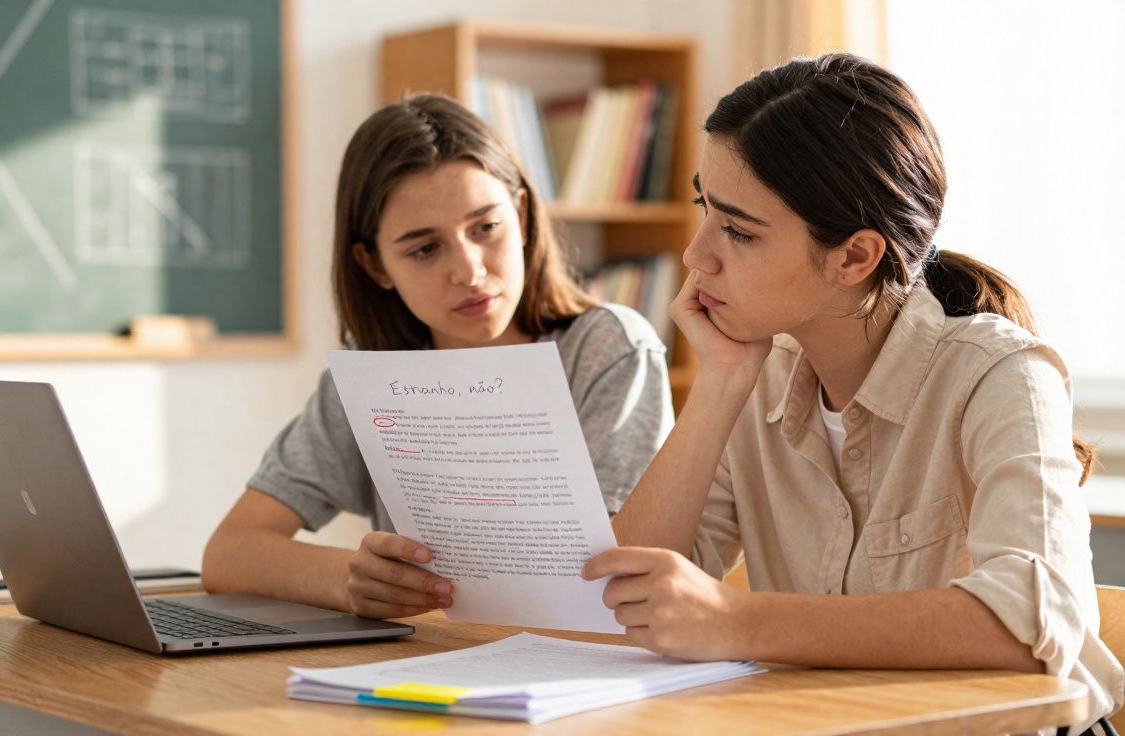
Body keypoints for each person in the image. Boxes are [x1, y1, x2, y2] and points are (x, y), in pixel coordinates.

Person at [581, 53, 1123, 732]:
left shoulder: (1002, 374)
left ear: (855, 257)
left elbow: (1026, 622)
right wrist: (719, 382)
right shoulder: (757, 373)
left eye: (740, 231)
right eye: (706, 210)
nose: (697, 256)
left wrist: (737, 620)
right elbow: (617, 600)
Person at [204, 94, 673, 622]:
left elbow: (619, 578)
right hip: (429, 663)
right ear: (375, 265)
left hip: (582, 667)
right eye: (425, 249)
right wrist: (350, 580)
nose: (469, 271)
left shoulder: (605, 349)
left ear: (520, 215)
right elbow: (229, 553)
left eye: (485, 228)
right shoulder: (373, 373)